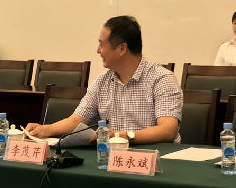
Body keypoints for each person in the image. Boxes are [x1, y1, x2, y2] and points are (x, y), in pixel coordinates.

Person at [25, 16, 182, 144]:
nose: (98, 50)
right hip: (112, 158)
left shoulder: (161, 79)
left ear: (121, 49)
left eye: (101, 44)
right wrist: (45, 129)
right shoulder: (102, 81)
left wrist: (122, 136)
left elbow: (168, 130)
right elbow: (76, 120)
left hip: (156, 160)